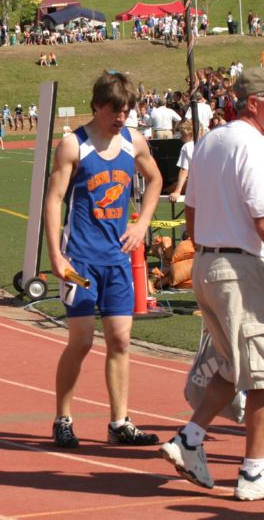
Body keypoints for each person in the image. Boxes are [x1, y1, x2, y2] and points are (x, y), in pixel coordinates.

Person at [160, 68, 264, 501]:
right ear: (255, 103)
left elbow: (191, 218)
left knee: (229, 367)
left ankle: (189, 438)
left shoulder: (209, 142)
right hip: (240, 269)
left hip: (207, 264)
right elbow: (262, 217)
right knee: (261, 376)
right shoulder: (253, 146)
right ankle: (254, 471)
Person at [43, 71, 163, 449]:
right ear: (97, 106)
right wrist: (56, 256)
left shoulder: (133, 142)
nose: (121, 118)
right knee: (80, 341)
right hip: (80, 262)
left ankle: (119, 422)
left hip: (117, 259)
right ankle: (63, 417)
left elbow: (156, 179)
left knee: (121, 340)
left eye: (126, 111)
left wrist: (142, 222)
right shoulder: (73, 146)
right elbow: (53, 199)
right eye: (114, 111)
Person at [168, 124, 194, 202]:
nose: (180, 137)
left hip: (196, 185)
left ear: (190, 134)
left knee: (169, 189)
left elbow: (184, 169)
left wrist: (177, 191)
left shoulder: (187, 146)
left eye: (182, 135)